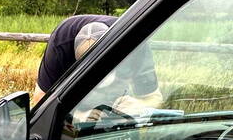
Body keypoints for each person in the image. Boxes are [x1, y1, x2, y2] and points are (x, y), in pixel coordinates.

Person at [32, 14, 163, 115]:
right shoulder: (61, 42)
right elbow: (40, 100)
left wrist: (137, 106)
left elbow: (155, 99)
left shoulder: (135, 42)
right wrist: (75, 116)